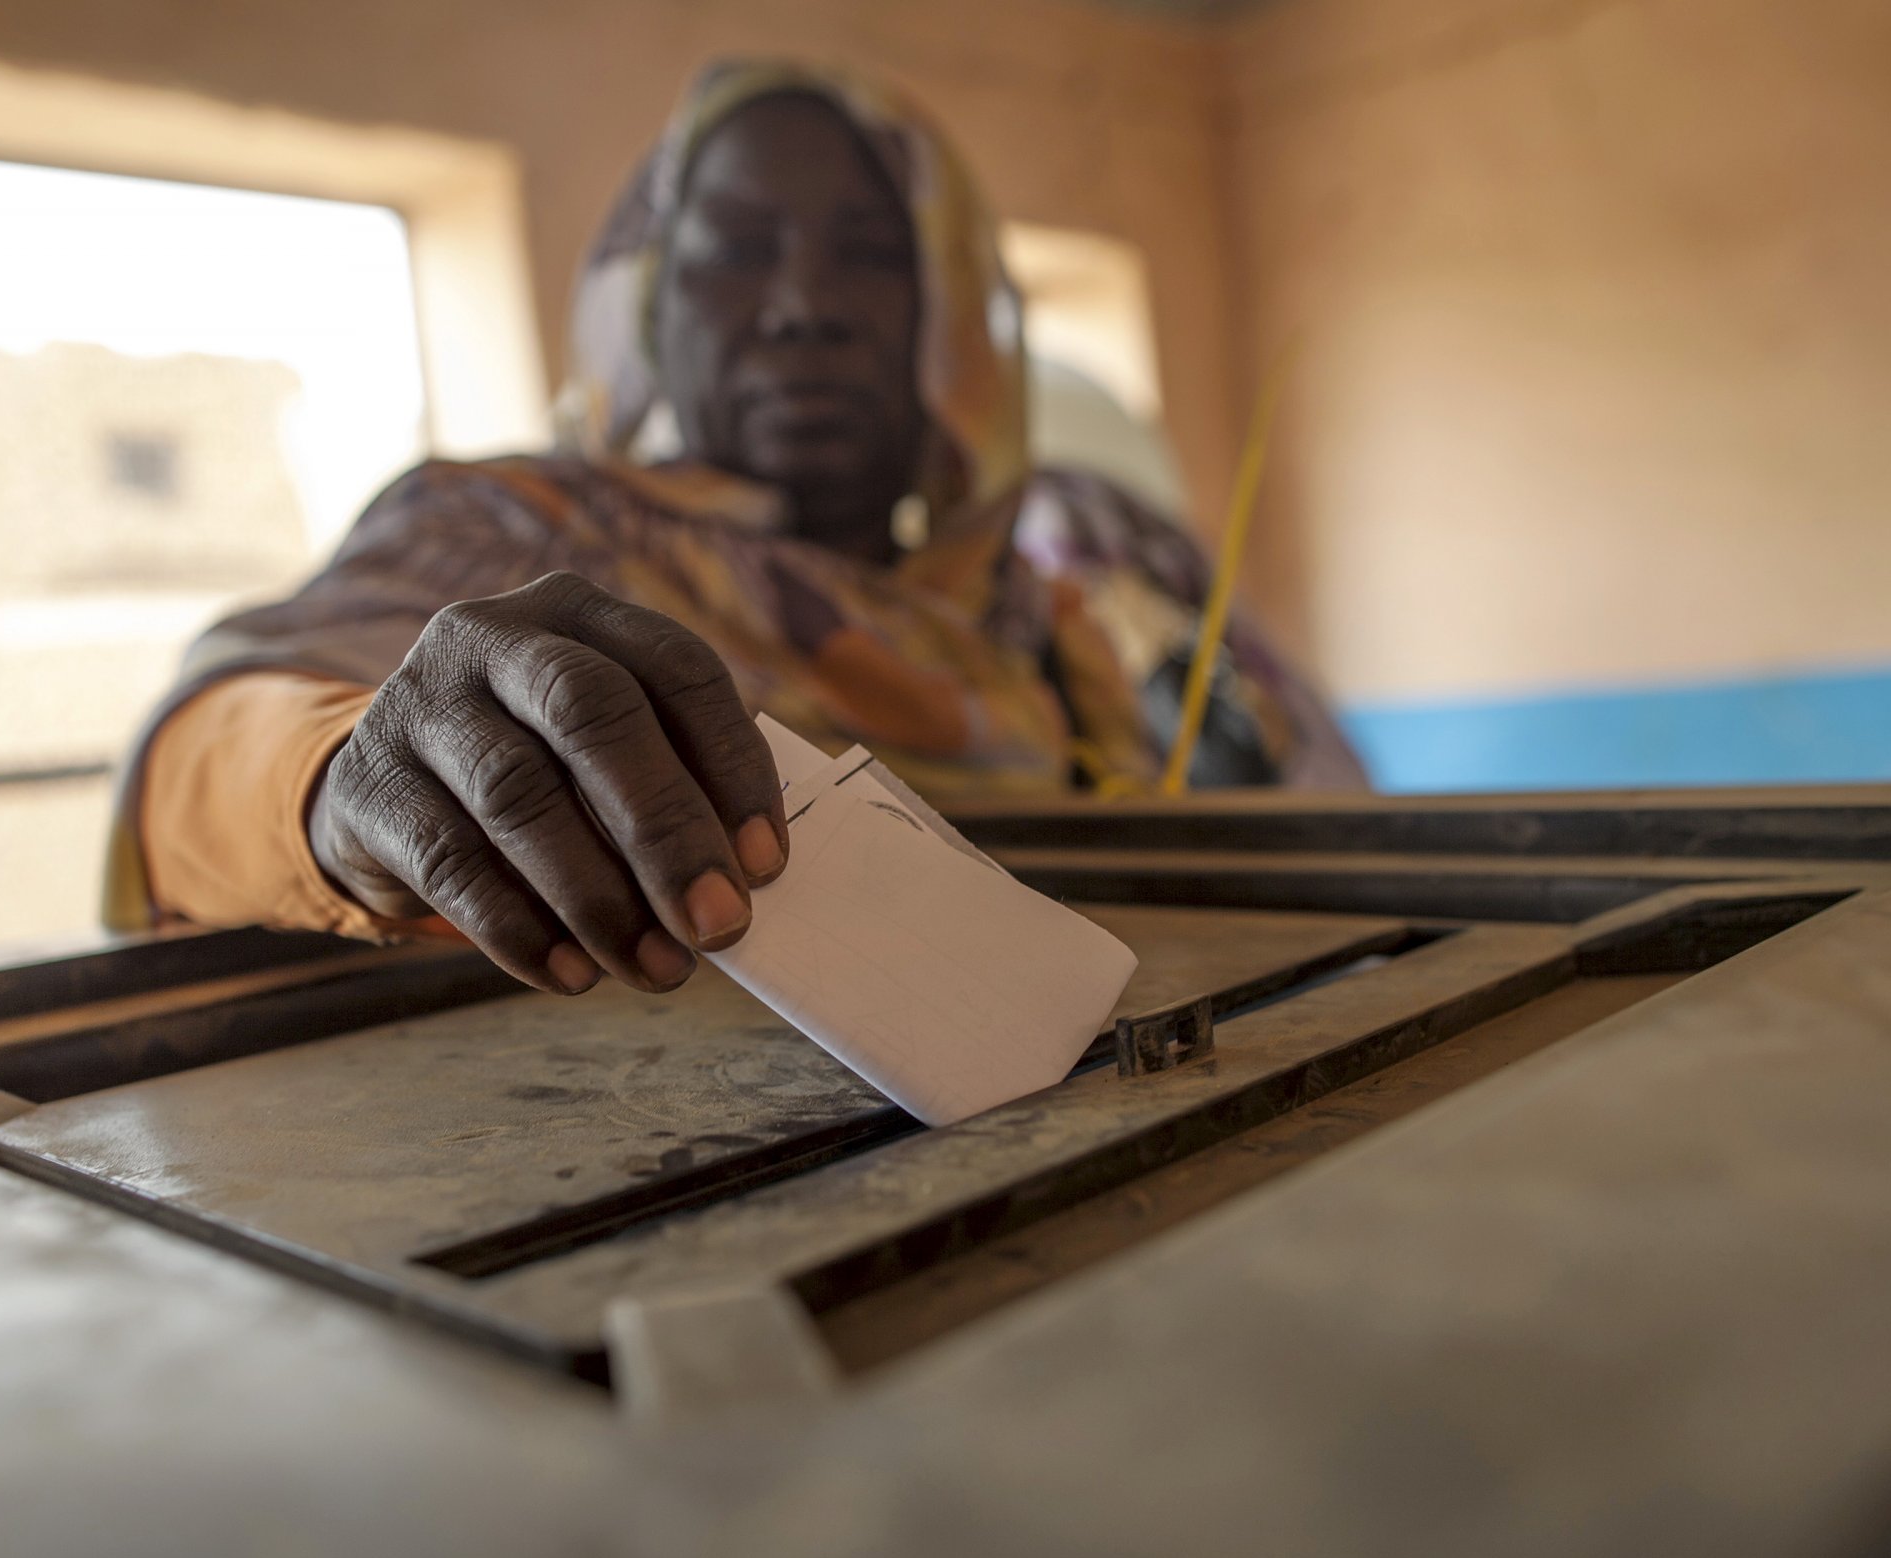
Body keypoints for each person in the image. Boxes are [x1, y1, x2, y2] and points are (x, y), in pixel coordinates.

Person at [106, 59, 1366, 1000]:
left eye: (872, 254)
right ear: (650, 305)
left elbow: (1339, 820)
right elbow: (204, 758)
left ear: (950, 306)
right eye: (735, 251)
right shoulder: (521, 528)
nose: (804, 307)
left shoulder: (1096, 551)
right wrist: (342, 781)